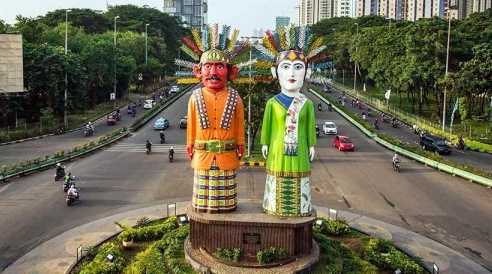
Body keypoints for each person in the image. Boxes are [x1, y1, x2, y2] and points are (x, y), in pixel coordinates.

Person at [259, 26, 321, 217]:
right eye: (285, 67)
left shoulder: (307, 104)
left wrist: (311, 144)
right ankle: (274, 206)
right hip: (277, 148)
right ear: (275, 72)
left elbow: (310, 126)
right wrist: (264, 142)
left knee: (299, 177)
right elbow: (267, 126)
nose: (292, 73)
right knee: (277, 175)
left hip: (300, 148)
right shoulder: (272, 103)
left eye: (298, 67)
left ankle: (300, 208)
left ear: (307, 73)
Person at [184, 26, 246, 213]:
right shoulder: (195, 97)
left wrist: (241, 143)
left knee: (226, 201)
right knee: (202, 202)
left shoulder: (235, 97)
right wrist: (189, 144)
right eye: (208, 66)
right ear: (198, 71)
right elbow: (191, 125)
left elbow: (239, 124)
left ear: (230, 72)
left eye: (219, 67)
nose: (213, 72)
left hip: (227, 154)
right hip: (202, 154)